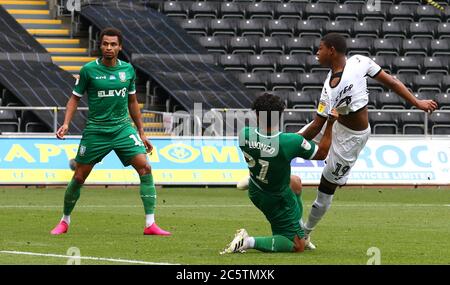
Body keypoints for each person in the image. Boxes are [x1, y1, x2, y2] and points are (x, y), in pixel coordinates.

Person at [299, 33, 438, 247]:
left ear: (332, 50)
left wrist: (417, 102)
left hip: (351, 139)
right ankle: (271, 159)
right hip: (335, 122)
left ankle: (305, 233)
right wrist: (417, 102)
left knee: (325, 189)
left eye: (320, 48)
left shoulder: (334, 86)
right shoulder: (359, 61)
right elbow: (391, 82)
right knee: (293, 139)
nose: (317, 53)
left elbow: (318, 126)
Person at [50, 27, 170, 236]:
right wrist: (66, 123)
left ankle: (150, 224)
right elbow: (74, 98)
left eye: (113, 44)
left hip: (123, 129)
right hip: (96, 131)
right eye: (105, 44)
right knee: (79, 176)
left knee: (145, 169)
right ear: (100, 45)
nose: (109, 48)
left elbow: (133, 101)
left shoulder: (128, 70)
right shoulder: (88, 70)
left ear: (120, 47)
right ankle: (65, 221)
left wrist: (141, 131)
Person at [220, 93, 338, 254]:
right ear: (281, 114)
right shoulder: (288, 142)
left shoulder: (245, 134)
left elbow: (272, 145)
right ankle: (247, 241)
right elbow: (322, 153)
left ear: (256, 114)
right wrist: (330, 123)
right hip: (276, 198)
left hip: (256, 188)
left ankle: (298, 230)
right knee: (297, 245)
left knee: (295, 182)